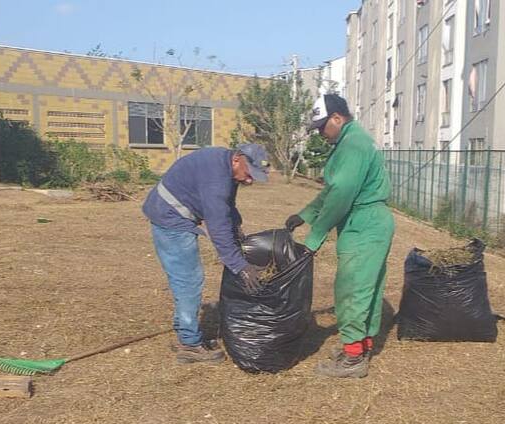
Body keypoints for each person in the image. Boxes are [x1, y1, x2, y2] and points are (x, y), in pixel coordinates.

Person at [285, 94, 395, 379]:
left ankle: (354, 358)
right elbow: (333, 190)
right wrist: (306, 214)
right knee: (366, 288)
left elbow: (342, 194)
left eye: (323, 126)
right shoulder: (351, 140)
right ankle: (361, 345)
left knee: (351, 289)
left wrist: (314, 238)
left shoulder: (353, 145)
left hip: (364, 222)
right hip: (369, 220)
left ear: (337, 118)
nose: (321, 133)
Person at [143, 144, 270, 364]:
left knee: (187, 281)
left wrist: (236, 226)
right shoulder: (216, 180)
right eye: (249, 174)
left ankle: (185, 332)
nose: (250, 180)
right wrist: (240, 266)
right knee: (189, 281)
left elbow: (227, 204)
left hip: (172, 211)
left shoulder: (225, 164)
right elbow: (218, 228)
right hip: (169, 218)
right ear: (238, 159)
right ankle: (189, 345)